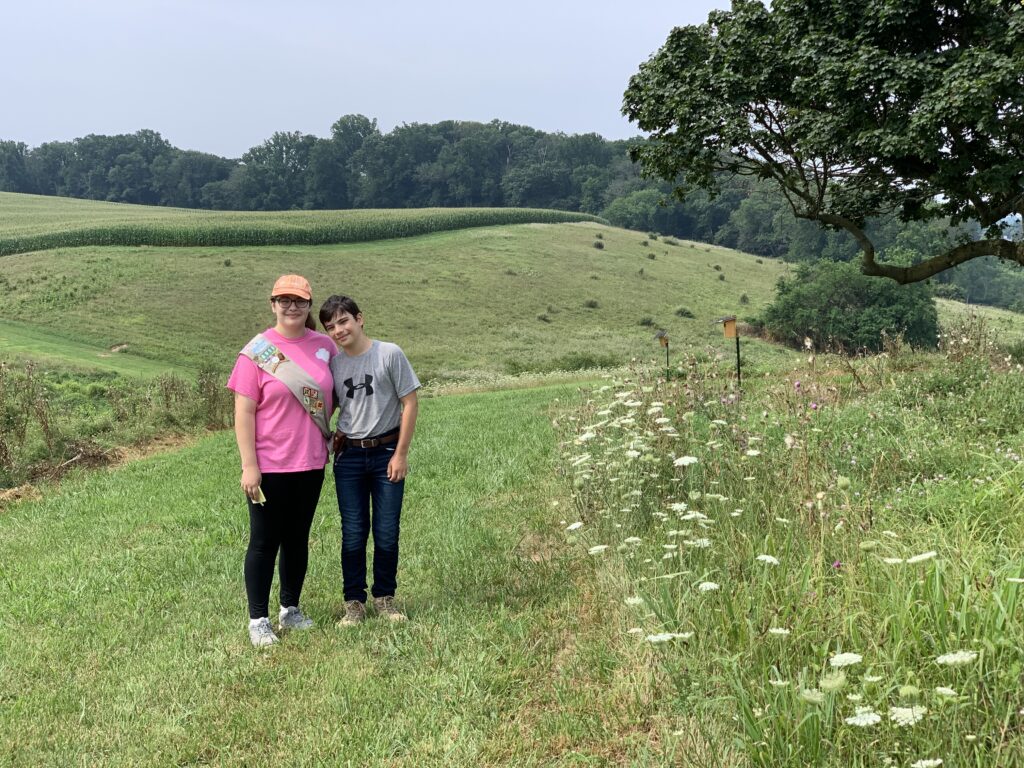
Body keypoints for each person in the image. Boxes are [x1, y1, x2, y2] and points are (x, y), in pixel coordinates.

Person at [227, 275, 337, 647]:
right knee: (263, 542)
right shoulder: (257, 352)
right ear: (272, 304)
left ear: (309, 306)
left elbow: (340, 392)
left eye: (300, 301)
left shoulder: (325, 346)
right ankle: (258, 619)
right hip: (270, 466)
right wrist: (248, 464)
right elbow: (244, 412)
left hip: (310, 462)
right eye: (284, 300)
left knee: (297, 539)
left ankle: (290, 609)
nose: (292, 307)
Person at [319, 294, 420, 625]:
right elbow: (327, 407)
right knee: (353, 531)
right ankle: (354, 602)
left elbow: (409, 403)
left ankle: (385, 598)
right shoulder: (334, 365)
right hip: (349, 458)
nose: (338, 330)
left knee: (387, 529)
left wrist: (401, 453)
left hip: (386, 453)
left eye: (343, 321)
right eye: (331, 326)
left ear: (360, 319)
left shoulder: (389, 354)